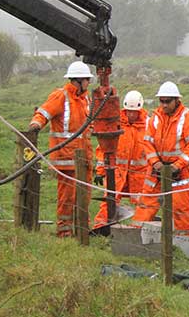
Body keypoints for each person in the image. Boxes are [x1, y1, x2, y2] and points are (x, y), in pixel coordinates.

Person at [29, 61, 95, 237]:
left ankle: (82, 229)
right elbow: (44, 113)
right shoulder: (61, 96)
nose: (89, 83)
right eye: (87, 80)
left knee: (84, 196)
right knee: (67, 197)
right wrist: (36, 124)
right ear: (78, 80)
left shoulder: (85, 99)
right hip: (66, 158)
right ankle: (64, 231)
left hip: (84, 158)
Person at [132, 81, 189, 234]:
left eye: (167, 101)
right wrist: (156, 163)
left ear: (177, 100)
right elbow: (147, 142)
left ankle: (184, 242)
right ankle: (134, 238)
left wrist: (177, 166)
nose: (164, 105)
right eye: (161, 101)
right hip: (156, 172)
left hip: (180, 174)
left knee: (180, 209)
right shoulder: (155, 118)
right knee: (145, 206)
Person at [92, 90, 149, 234]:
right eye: (129, 111)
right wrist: (100, 171)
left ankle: (140, 230)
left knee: (142, 203)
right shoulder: (116, 124)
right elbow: (104, 148)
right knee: (109, 199)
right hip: (117, 171)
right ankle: (100, 228)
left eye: (134, 112)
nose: (131, 114)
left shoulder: (148, 125)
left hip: (140, 174)